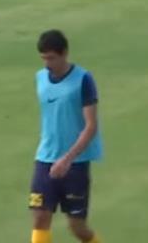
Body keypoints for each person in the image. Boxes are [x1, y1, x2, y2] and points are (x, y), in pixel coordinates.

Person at [29, 30, 104, 243]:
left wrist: (67, 159)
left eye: (51, 58)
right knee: (40, 218)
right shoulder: (40, 78)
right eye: (43, 58)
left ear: (64, 53)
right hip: (45, 158)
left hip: (75, 163)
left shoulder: (83, 80)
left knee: (77, 227)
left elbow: (91, 126)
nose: (47, 64)